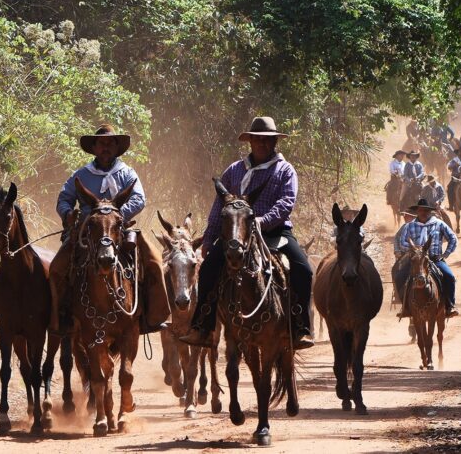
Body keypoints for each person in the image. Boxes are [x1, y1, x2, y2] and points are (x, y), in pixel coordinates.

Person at [180, 117, 314, 350]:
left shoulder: (285, 170)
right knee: (210, 267)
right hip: (234, 233)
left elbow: (286, 203)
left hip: (275, 232)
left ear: (275, 142)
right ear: (250, 141)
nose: (263, 144)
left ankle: (300, 326)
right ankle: (203, 326)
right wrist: (209, 238)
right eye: (258, 139)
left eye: (268, 140)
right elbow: (218, 208)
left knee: (303, 268)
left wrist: (261, 221)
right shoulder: (234, 170)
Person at [48, 124, 171, 335]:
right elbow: (64, 199)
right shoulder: (81, 174)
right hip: (87, 232)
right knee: (57, 267)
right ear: (94, 147)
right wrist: (69, 215)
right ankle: (59, 316)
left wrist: (116, 216)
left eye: (110, 143)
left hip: (118, 229)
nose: (105, 147)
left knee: (154, 260)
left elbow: (139, 199)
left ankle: (152, 315)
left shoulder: (127, 173)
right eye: (101, 143)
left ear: (116, 148)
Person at [392, 199, 459, 318]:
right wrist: (416, 250)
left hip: (434, 259)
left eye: (426, 210)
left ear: (430, 212)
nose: (423, 212)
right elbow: (402, 242)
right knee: (399, 276)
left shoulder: (439, 224)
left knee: (449, 276)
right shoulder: (409, 226)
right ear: (417, 211)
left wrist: (446, 254)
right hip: (415, 260)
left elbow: (453, 238)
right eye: (421, 210)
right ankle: (405, 307)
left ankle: (450, 306)